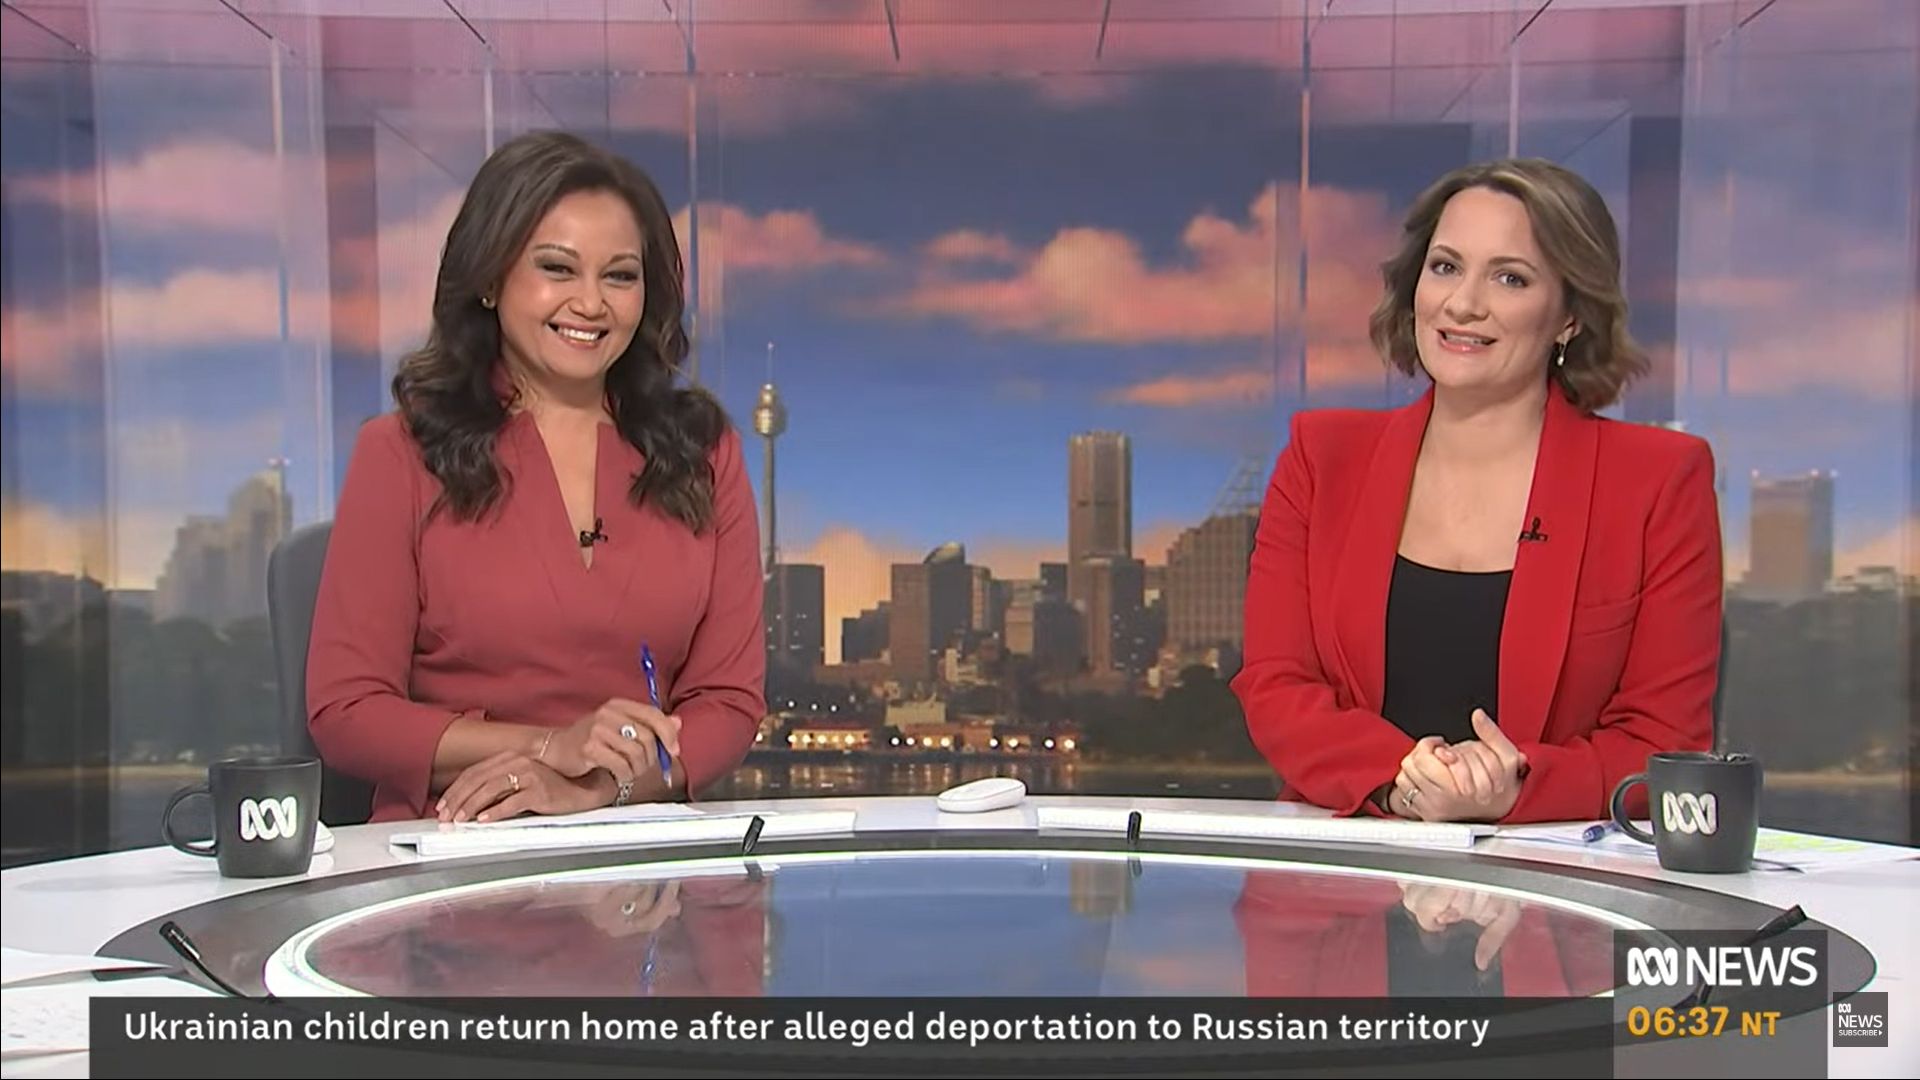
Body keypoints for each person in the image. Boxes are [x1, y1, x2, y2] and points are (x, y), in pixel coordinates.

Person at [1230, 158, 1722, 825]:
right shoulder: (1322, 457)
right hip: (1348, 859)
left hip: (1548, 869)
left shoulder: (1658, 480)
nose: (1463, 304)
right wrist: (1403, 781)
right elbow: (1277, 686)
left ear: (1571, 316)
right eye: (1445, 267)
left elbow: (1663, 739)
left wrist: (1510, 790)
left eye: (1510, 277)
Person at [306, 130, 766, 825]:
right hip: (455, 842)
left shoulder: (703, 452)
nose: (592, 303)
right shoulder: (401, 451)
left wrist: (595, 790)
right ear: (490, 279)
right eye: (557, 268)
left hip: (638, 846)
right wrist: (550, 748)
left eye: (620, 276)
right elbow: (347, 712)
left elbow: (727, 703)